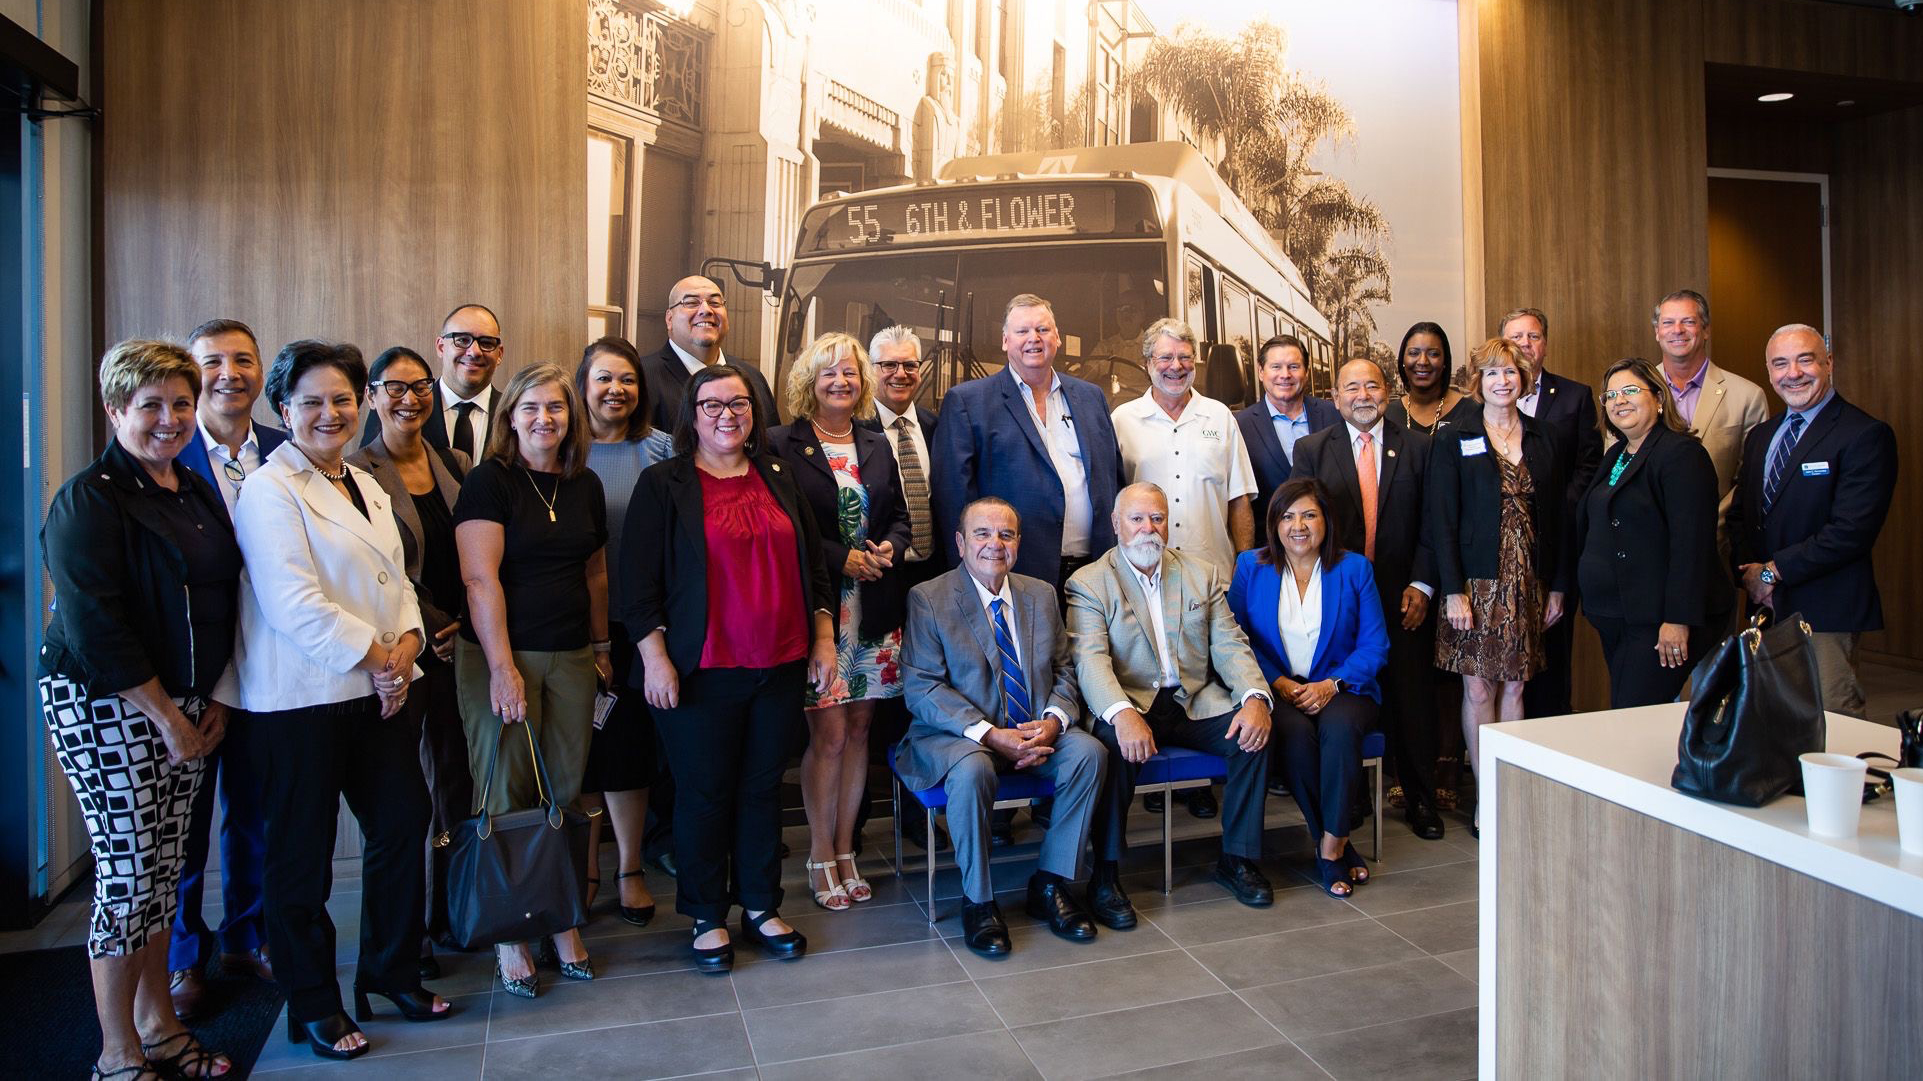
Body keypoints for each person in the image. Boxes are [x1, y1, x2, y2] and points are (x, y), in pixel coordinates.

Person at [217, 340, 447, 1060]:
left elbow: (398, 579)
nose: (329, 413)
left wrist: (407, 644)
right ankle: (312, 1001)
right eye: (311, 401)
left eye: (342, 399)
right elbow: (293, 603)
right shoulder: (270, 487)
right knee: (301, 856)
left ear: (360, 404)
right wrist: (383, 658)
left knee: (402, 820)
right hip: (300, 699)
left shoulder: (365, 481)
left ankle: (390, 969)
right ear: (283, 410)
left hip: (379, 690)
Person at [41, 340, 240, 1081]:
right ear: (116, 408)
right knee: (127, 877)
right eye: (150, 405)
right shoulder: (90, 497)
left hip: (189, 705)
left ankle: (158, 1026)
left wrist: (213, 699)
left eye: (181, 403)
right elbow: (96, 625)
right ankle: (116, 1051)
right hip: (108, 704)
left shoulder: (188, 489)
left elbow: (223, 600)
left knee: (162, 874)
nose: (168, 419)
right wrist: (167, 716)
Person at [624, 364, 836, 973]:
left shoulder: (779, 475)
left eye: (738, 403)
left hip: (781, 662)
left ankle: (762, 905)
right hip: (699, 670)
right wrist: (656, 660)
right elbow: (638, 587)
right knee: (704, 794)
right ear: (691, 414)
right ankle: (707, 914)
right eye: (711, 404)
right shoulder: (663, 484)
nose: (726, 414)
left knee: (761, 789)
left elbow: (814, 570)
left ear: (754, 412)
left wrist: (823, 640)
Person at [452, 363, 611, 996]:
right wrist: (501, 669)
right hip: (501, 655)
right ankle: (510, 934)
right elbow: (478, 579)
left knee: (565, 792)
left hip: (572, 655)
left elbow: (595, 572)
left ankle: (559, 921)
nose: (545, 418)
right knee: (507, 790)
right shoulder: (490, 483)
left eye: (557, 408)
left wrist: (601, 646)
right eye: (531, 407)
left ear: (572, 418)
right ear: (509, 416)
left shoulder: (585, 483)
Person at [896, 498, 1108, 957]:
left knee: (1089, 754)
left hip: (1033, 732)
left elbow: (1065, 671)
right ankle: (979, 901)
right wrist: (991, 736)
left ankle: (1050, 884)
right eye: (982, 533)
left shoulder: (1040, 593)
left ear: (1019, 543)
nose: (995, 544)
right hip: (959, 739)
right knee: (974, 771)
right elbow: (922, 688)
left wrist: (1051, 725)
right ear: (960, 542)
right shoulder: (929, 598)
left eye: (1006, 535)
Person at [1068, 483, 1276, 926]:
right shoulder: (1088, 582)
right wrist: (1122, 714)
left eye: (1157, 519)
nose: (1149, 529)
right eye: (1137, 519)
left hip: (1190, 700)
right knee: (1110, 749)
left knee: (1251, 737)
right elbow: (1090, 661)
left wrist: (1255, 697)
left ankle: (1237, 858)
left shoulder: (1199, 573)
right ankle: (1104, 875)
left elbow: (1230, 645)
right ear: (1116, 525)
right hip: (1128, 702)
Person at [767, 333, 911, 910]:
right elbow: (783, 529)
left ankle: (848, 849)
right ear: (810, 380)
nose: (841, 382)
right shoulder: (782, 443)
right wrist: (839, 557)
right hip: (820, 610)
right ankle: (820, 853)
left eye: (850, 373)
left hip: (874, 609)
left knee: (858, 732)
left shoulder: (876, 443)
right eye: (828, 373)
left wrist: (887, 550)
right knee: (826, 734)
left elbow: (899, 516)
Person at [168, 319, 283, 1020]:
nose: (229, 373)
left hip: (267, 664)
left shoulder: (283, 447)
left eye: (243, 359)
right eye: (213, 361)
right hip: (192, 669)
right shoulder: (164, 450)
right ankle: (185, 956)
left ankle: (250, 935)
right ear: (190, 371)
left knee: (256, 811)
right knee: (185, 823)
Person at [346, 346, 472, 975]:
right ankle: (406, 930)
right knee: (407, 794)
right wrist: (434, 624)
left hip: (463, 646)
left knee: (457, 779)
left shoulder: (455, 462)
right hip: (406, 647)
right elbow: (381, 570)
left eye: (420, 386)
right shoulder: (355, 471)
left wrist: (465, 625)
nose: (410, 398)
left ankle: (451, 909)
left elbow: (480, 551)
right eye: (393, 387)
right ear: (372, 396)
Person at [1290, 358, 1445, 840]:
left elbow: (1434, 522)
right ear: (1334, 397)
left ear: (1389, 392)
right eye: (1351, 387)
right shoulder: (1312, 448)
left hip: (1405, 599)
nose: (1363, 395)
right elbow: (1301, 526)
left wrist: (1422, 584)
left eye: (1372, 386)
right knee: (1348, 700)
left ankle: (1421, 800)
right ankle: (1350, 802)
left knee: (1413, 701)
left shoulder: (1420, 448)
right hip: (1339, 605)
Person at [1428, 337, 1569, 834]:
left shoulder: (1545, 437)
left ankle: (1509, 791)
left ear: (1523, 379)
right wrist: (1452, 591)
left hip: (1528, 577)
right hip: (1476, 581)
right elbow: (1441, 519)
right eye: (1491, 373)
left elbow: (1559, 517)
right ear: (1477, 382)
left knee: (1516, 684)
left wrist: (1556, 585)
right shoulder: (1453, 435)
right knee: (1478, 686)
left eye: (1509, 373)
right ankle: (1486, 795)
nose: (1501, 381)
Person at [1229, 478, 1391, 897]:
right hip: (1277, 688)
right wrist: (1278, 682)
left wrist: (1332, 684)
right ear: (1274, 524)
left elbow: (1376, 645)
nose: (1297, 525)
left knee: (1338, 730)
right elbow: (1236, 639)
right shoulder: (1251, 566)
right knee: (1295, 735)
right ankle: (1334, 844)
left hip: (1344, 687)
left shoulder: (1354, 568)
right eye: (1286, 516)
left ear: (1326, 521)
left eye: (1308, 514)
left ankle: (1331, 845)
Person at [1728, 325, 1898, 718]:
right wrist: (1751, 576)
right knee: (1769, 721)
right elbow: (1741, 515)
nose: (1794, 373)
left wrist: (1771, 573)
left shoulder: (1864, 435)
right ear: (1769, 373)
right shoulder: (1761, 436)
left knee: (1830, 723)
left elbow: (1850, 532)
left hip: (1826, 610)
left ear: (1828, 363)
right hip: (1764, 610)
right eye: (1780, 363)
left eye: (1805, 359)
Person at [574, 337, 674, 929]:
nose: (616, 390)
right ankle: (586, 867)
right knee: (582, 752)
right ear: (583, 383)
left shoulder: (660, 451)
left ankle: (630, 869)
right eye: (604, 378)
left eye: (628, 379)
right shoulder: (561, 449)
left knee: (630, 748)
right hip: (572, 625)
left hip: (641, 625)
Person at [930, 293, 1125, 590]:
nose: (1033, 338)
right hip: (1014, 576)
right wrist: (968, 582)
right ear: (1006, 340)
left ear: (1057, 337)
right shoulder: (968, 402)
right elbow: (953, 500)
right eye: (1022, 331)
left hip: (1096, 574)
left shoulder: (1091, 397)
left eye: (1043, 330)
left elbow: (1115, 480)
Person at [1575, 358, 1728, 707]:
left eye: (1630, 391)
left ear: (1659, 397)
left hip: (1658, 619)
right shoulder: (1617, 454)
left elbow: (1691, 544)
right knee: (1633, 712)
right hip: (1617, 615)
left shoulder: (1681, 455)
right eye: (1610, 395)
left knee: (1632, 711)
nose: (1619, 401)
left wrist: (1677, 619)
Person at [859, 325, 942, 850]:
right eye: (888, 365)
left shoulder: (938, 425)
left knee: (926, 696)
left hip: (933, 580)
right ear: (871, 370)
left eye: (909, 364)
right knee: (877, 704)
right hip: (876, 580)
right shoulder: (851, 428)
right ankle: (860, 817)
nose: (899, 374)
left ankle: (918, 814)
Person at [1501, 308, 1600, 720]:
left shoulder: (1575, 397)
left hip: (1555, 546)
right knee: (1505, 666)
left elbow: (1589, 466)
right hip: (1501, 552)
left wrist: (1552, 509)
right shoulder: (1487, 396)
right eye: (1516, 337)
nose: (1526, 344)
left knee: (1552, 652)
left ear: (1546, 343)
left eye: (1534, 336)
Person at [1112, 318, 1259, 577]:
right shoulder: (1122, 420)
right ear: (1147, 364)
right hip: (1143, 578)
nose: (1176, 366)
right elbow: (1111, 503)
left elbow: (1239, 498)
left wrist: (1243, 564)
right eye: (1165, 357)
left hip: (1214, 577)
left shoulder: (1220, 416)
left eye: (1185, 357)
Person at [1650, 289, 1768, 557]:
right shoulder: (1632, 393)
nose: (1677, 330)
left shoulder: (1747, 396)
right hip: (1647, 548)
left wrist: (1705, 530)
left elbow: (1751, 482)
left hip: (1715, 547)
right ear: (1657, 331)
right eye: (1668, 323)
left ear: (1705, 330)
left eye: (1688, 322)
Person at [637, 275, 779, 436]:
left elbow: (770, 448)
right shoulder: (641, 379)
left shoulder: (753, 378)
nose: (706, 310)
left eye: (715, 303)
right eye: (691, 303)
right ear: (669, 319)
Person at [361, 303, 506, 461]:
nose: (474, 352)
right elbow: (370, 470)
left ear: (499, 354)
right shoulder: (399, 407)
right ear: (441, 347)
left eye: (486, 343)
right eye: (462, 340)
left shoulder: (514, 413)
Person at [1236, 333, 1342, 530]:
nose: (1285, 375)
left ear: (1306, 372)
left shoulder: (1334, 416)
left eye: (1294, 367)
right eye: (1276, 367)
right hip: (1268, 545)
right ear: (1261, 371)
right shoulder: (1239, 425)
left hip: (1330, 542)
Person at [1386, 322, 1473, 435]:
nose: (1423, 361)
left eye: (1433, 354)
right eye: (1414, 353)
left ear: (1445, 361)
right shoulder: (1389, 414)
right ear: (1403, 360)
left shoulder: (1470, 411)